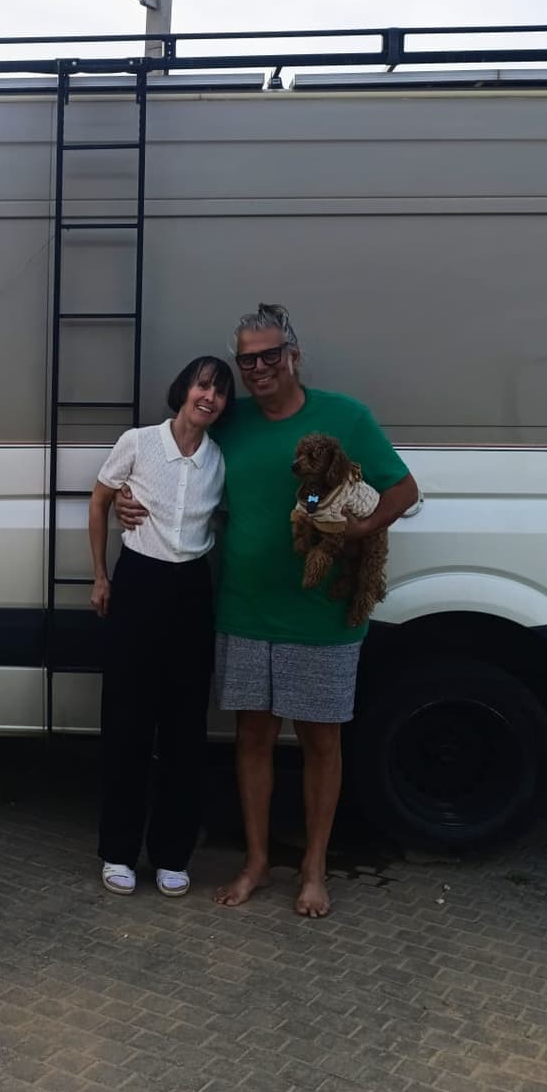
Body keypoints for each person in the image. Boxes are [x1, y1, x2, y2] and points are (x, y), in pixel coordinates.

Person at [115, 305, 418, 918]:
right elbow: (174, 455)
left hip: (321, 615)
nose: (257, 368)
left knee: (320, 744)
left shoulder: (345, 416)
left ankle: (313, 870)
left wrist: (359, 530)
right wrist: (126, 496)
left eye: (269, 355)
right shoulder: (233, 423)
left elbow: (404, 489)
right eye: (246, 360)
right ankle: (255, 862)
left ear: (294, 355)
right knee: (252, 739)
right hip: (243, 609)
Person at [87, 356, 234, 897]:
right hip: (139, 585)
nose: (209, 397)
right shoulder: (139, 442)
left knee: (183, 730)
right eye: (202, 385)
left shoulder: (220, 460)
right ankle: (118, 852)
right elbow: (101, 501)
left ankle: (173, 854)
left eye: (220, 392)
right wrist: (101, 576)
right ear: (184, 390)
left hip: (192, 591)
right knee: (127, 723)